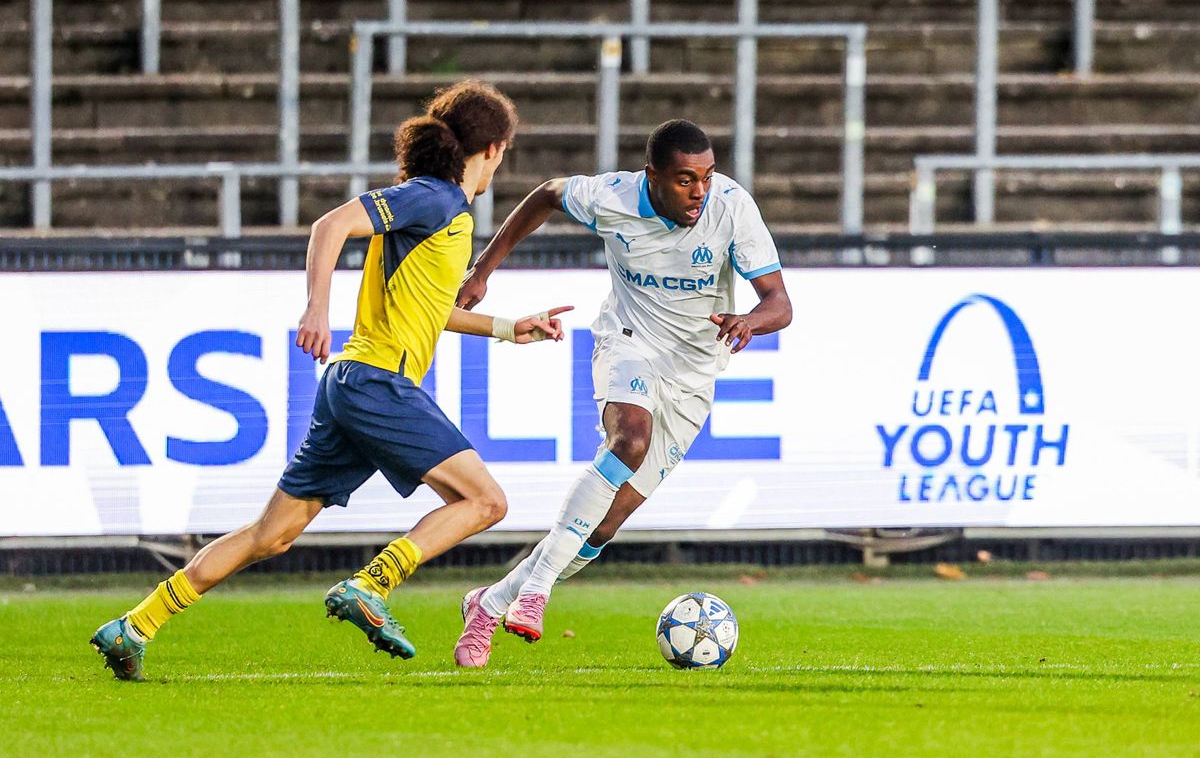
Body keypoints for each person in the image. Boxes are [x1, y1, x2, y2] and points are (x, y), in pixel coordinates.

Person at [90, 80, 571, 681]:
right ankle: (372, 584)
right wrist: (316, 307)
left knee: (272, 535)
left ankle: (135, 625)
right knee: (485, 501)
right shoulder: (435, 198)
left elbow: (431, 309)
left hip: (352, 384)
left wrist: (506, 327)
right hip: (377, 382)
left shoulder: (441, 209)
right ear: (495, 149)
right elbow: (329, 226)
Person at [452, 119, 792, 667]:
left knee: (602, 526)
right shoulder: (612, 196)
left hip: (693, 376)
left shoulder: (732, 207)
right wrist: (482, 270)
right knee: (629, 440)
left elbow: (780, 303)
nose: (700, 191)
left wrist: (750, 320)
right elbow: (546, 195)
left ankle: (489, 603)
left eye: (707, 177)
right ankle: (536, 591)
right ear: (652, 175)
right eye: (685, 180)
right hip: (628, 342)